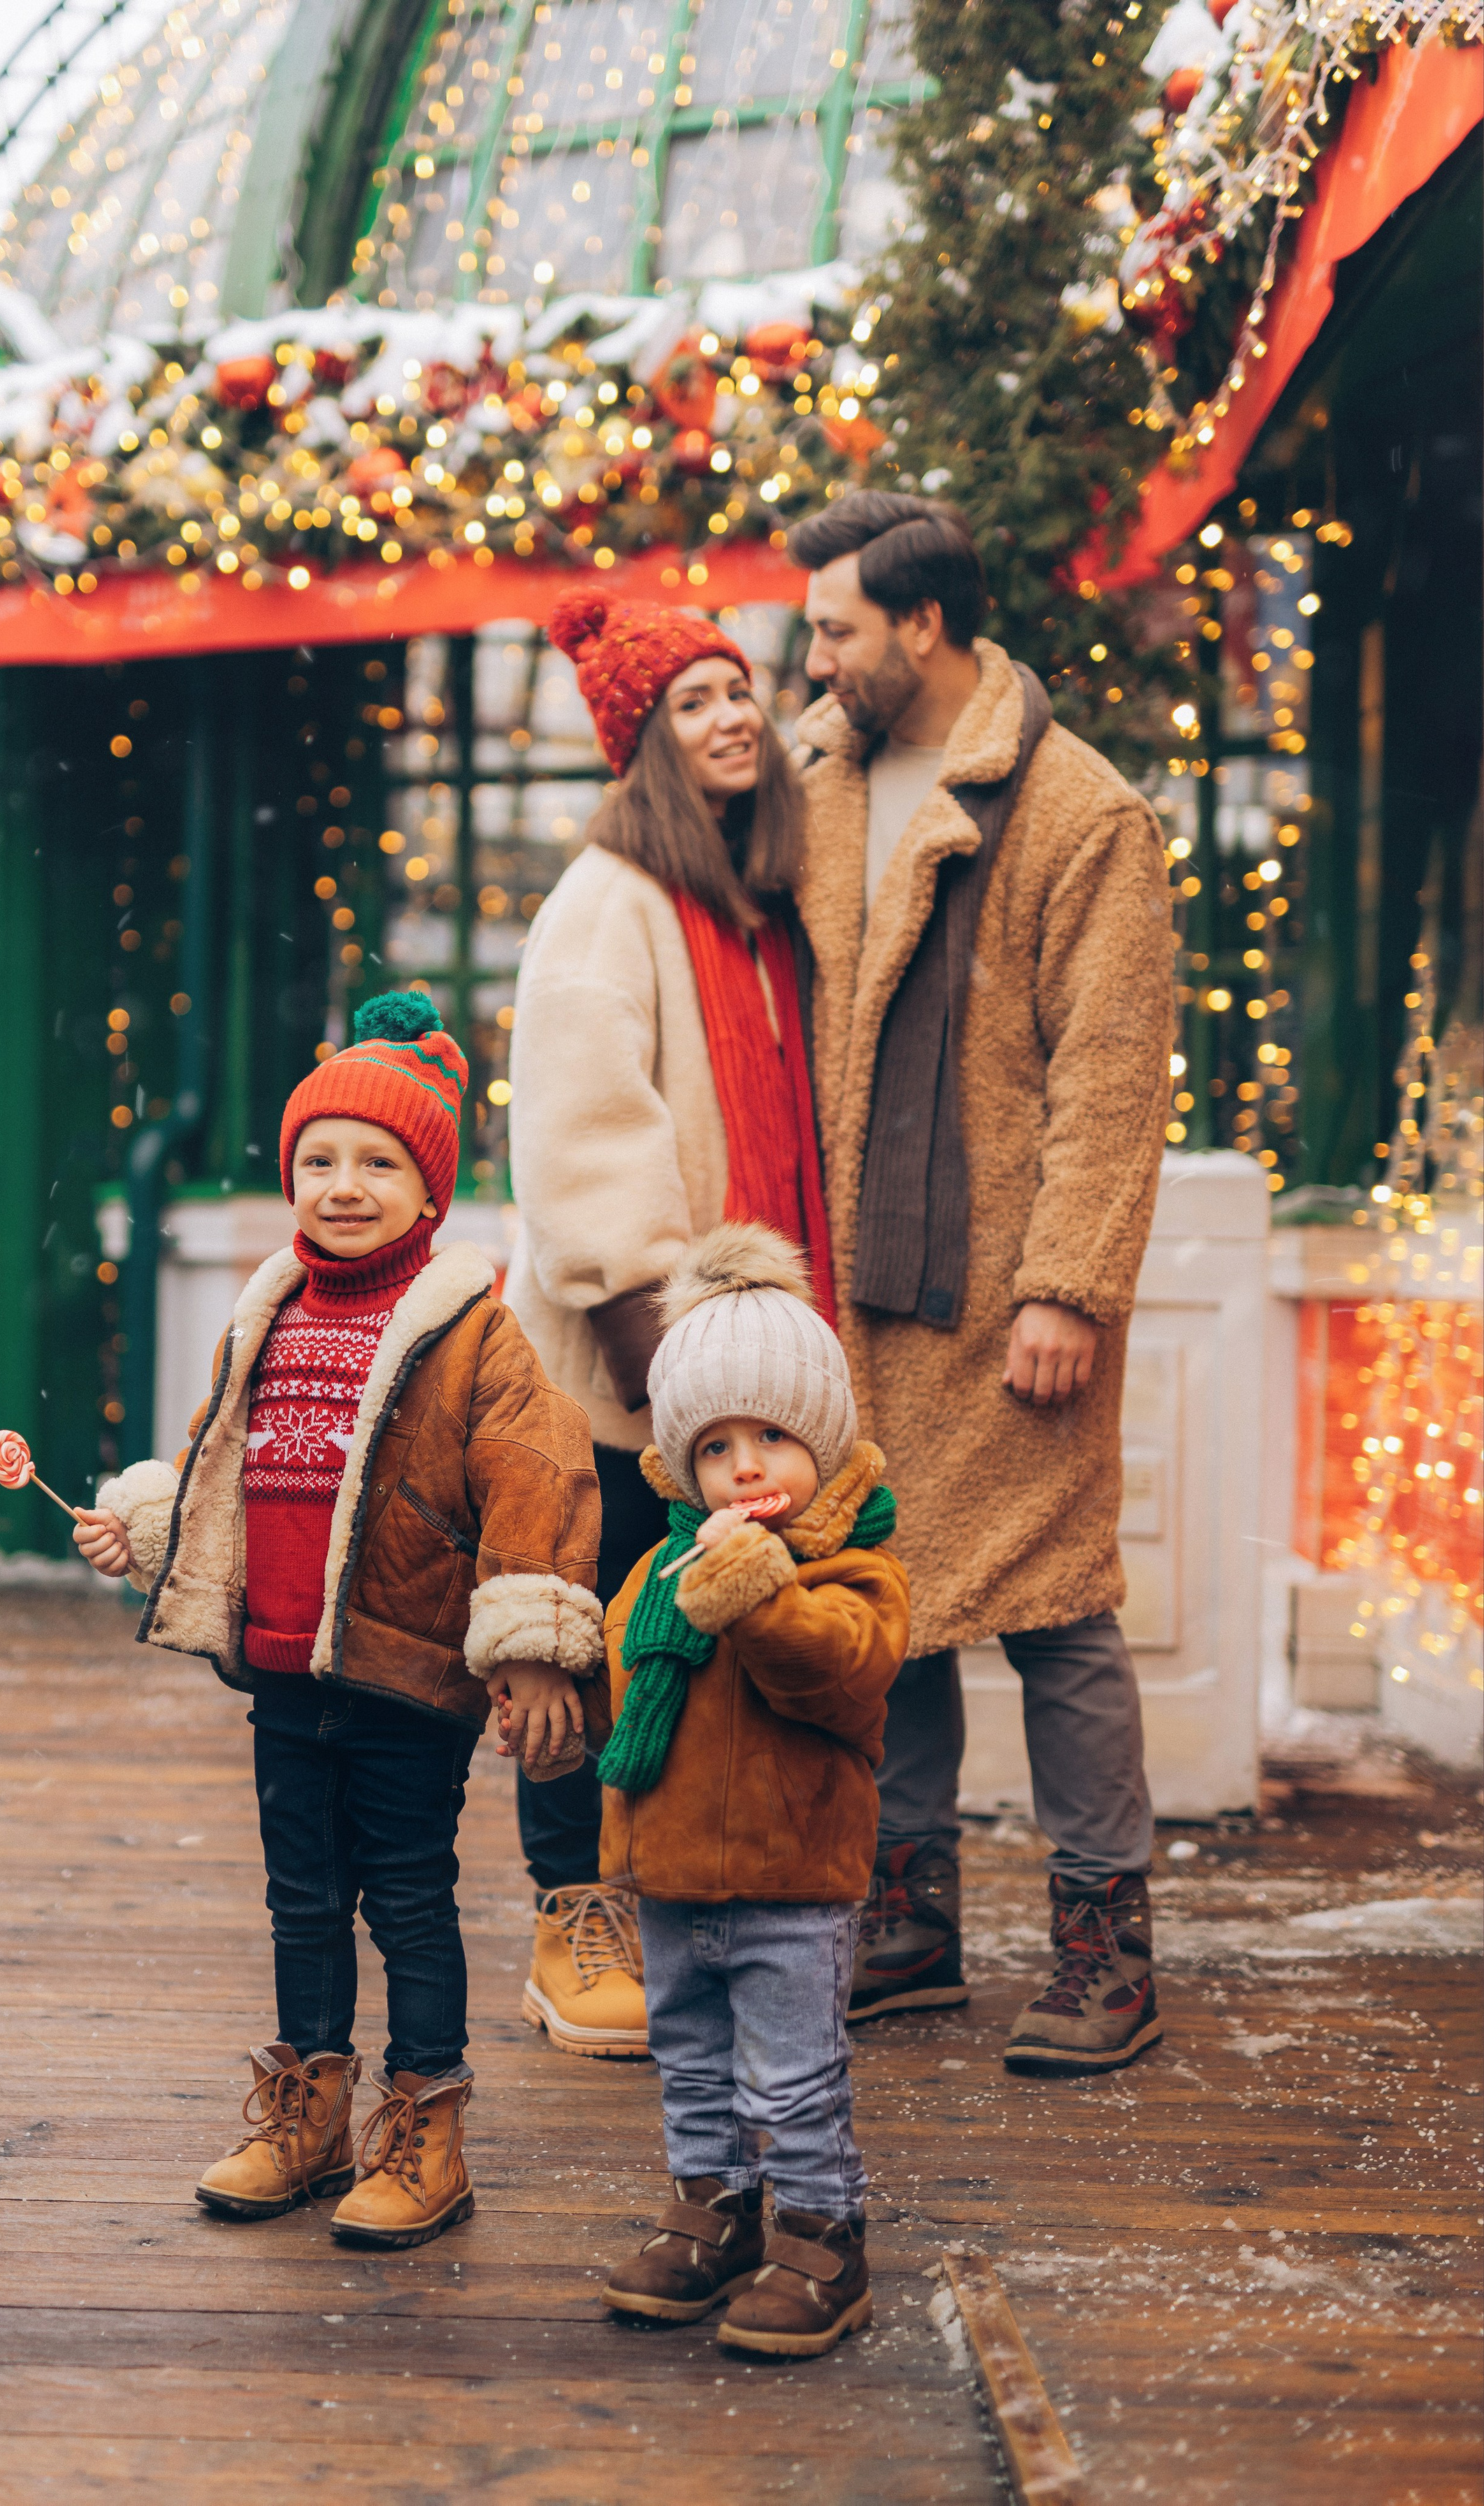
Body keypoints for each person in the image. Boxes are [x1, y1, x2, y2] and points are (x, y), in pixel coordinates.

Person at [73, 994, 603, 2244]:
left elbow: (538, 1477)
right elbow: (226, 1463)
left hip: (406, 1673)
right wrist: (148, 1532)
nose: (345, 1186)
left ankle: (427, 2126)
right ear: (289, 1177)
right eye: (321, 1160)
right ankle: (305, 2107)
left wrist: (528, 1646)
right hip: (284, 1669)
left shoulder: (473, 1336)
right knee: (299, 1897)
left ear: (431, 1194)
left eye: (381, 1164)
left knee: (408, 1897)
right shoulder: (267, 1316)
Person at [781, 490, 1175, 2077]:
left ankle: (1104, 1946)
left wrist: (1067, 1284)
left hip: (1005, 1283)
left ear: (922, 628)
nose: (811, 659)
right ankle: (908, 1920)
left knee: (1056, 1611)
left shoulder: (1079, 813)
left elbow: (1108, 1069)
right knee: (895, 1601)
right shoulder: (813, 782)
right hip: (848, 1279)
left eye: (835, 630)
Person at [503, 589, 835, 2061]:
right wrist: (671, 1349)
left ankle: (684, 1901)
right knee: (591, 1642)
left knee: (696, 1645)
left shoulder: (747, 908)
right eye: (692, 698)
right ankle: (572, 1913)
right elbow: (582, 1150)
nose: (731, 715)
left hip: (732, 1365)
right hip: (629, 1372)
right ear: (640, 741)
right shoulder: (606, 902)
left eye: (737, 688)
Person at [577, 1222, 908, 2358]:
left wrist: (763, 1598)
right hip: (674, 1883)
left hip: (790, 1883)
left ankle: (824, 2235)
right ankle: (710, 2211)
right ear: (683, 1465)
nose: (747, 1465)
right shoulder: (661, 1572)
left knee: (792, 2072)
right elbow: (627, 1685)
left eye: (773, 1435)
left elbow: (844, 1671)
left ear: (823, 1440)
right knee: (694, 2066)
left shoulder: (849, 1570)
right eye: (717, 1447)